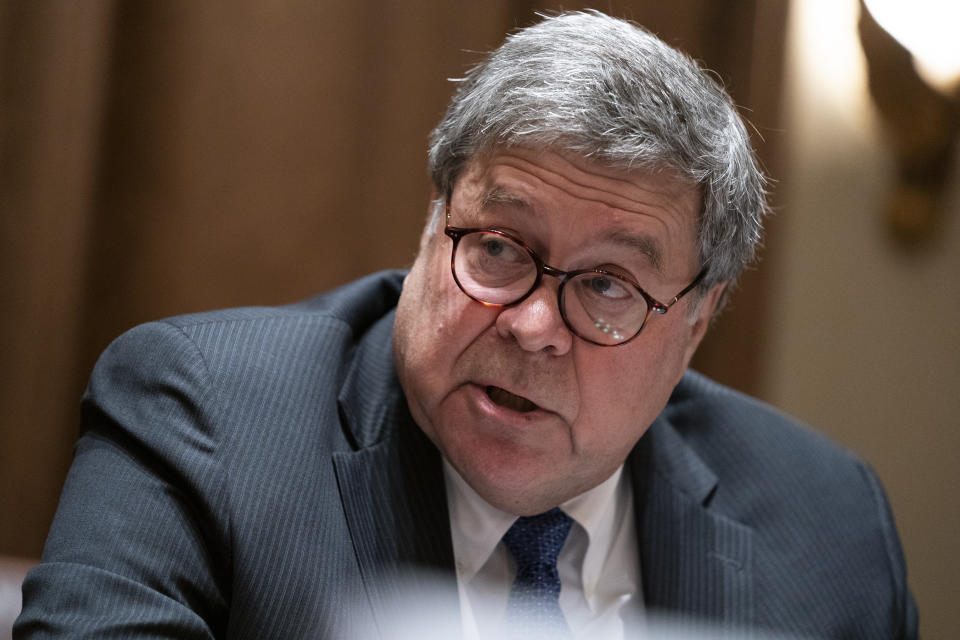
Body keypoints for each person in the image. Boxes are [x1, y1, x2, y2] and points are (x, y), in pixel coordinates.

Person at [16, 10, 916, 640]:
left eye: (607, 285)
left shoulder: (827, 526)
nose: (531, 324)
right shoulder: (203, 418)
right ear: (432, 222)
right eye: (498, 246)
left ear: (695, 322)